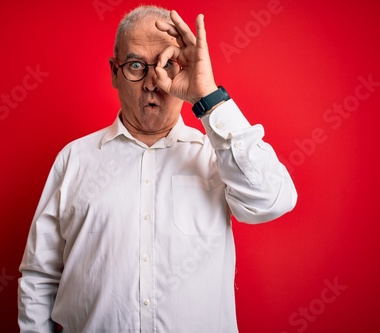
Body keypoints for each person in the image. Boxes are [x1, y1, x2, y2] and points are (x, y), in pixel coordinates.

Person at [18, 5, 297, 333]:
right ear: (114, 72)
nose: (153, 83)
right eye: (136, 65)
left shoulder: (216, 154)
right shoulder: (74, 160)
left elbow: (272, 201)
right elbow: (40, 277)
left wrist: (207, 96)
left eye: (168, 65)